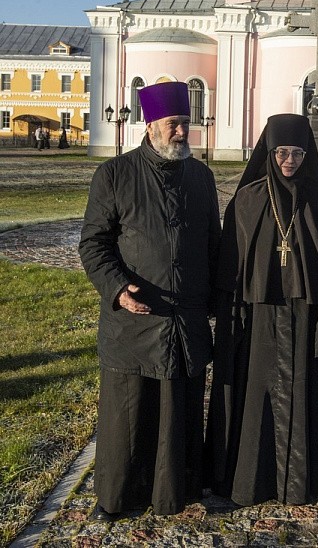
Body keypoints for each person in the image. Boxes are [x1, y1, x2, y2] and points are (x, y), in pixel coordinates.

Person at [79, 81, 221, 519]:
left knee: (178, 407)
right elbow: (94, 244)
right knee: (130, 412)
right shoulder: (114, 174)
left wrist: (216, 301)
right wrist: (117, 289)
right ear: (150, 125)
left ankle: (174, 491)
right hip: (135, 320)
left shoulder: (201, 177)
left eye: (186, 123)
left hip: (184, 317)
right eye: (173, 124)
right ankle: (118, 497)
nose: (181, 132)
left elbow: (213, 245)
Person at [206, 113, 318, 506]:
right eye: (282, 152)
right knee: (257, 394)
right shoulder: (247, 200)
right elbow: (233, 269)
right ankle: (253, 480)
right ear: (269, 153)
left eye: (298, 153)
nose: (290, 160)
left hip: (304, 315)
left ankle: (301, 480)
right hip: (259, 318)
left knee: (304, 390)